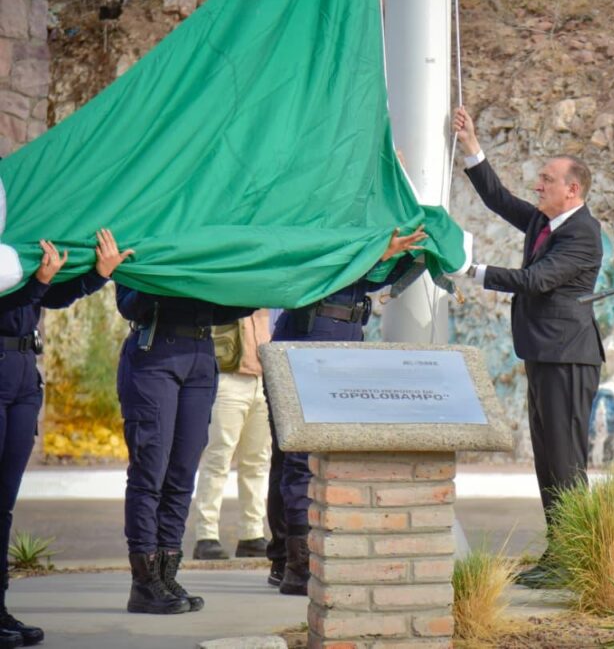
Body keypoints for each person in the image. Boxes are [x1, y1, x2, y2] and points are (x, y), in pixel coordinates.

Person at [453, 106, 605, 586]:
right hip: (544, 354)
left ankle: (574, 562)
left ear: (571, 189)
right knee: (547, 459)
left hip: (569, 358)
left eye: (546, 179)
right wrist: (471, 145)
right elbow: (498, 199)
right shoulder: (546, 222)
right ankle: (560, 555)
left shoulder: (583, 233)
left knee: (566, 461)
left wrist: (470, 272)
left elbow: (536, 280)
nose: (537, 186)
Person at [267, 226, 427, 595]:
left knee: (319, 456)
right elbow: (326, 266)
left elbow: (365, 281)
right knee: (298, 457)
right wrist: (375, 252)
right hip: (312, 335)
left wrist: (390, 256)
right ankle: (298, 565)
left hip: (345, 332)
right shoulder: (320, 218)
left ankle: (296, 556)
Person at [1, 230, 132, 647]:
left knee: (3, 505)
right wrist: (38, 282)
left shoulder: (22, 229)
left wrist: (97, 275)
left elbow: (49, 297)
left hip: (23, 372)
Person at [115, 283, 255, 614]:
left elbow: (225, 308)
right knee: (150, 472)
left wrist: (252, 290)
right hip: (155, 351)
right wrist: (165, 281)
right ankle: (145, 583)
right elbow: (129, 305)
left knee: (182, 474)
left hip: (201, 355)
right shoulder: (144, 239)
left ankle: (166, 574)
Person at [191, 310, 273, 560]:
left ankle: (252, 534)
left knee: (258, 462)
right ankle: (205, 536)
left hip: (265, 378)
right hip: (228, 375)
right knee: (218, 459)